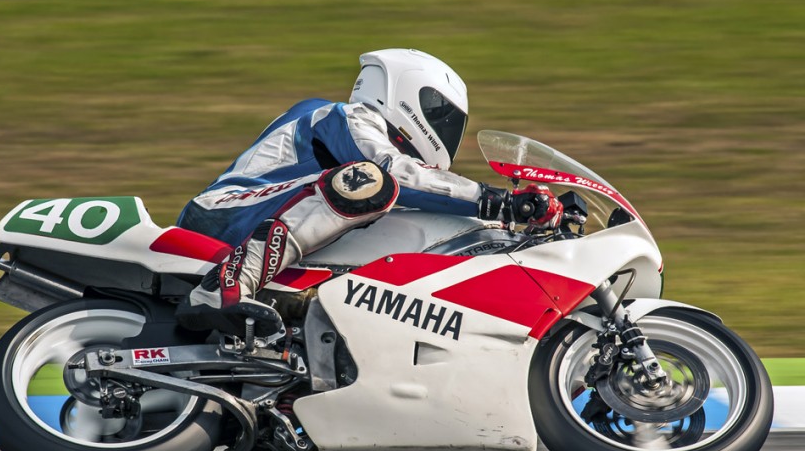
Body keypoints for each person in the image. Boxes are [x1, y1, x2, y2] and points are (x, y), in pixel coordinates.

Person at [176, 48, 559, 337]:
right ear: (409, 94)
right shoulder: (344, 116)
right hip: (223, 213)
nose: (445, 131)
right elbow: (395, 172)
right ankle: (225, 287)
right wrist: (500, 202)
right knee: (367, 181)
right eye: (441, 114)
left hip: (270, 219)